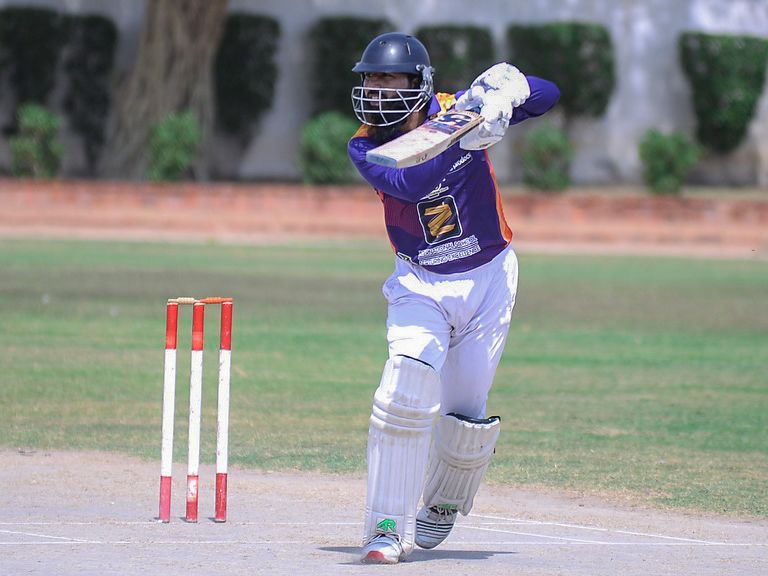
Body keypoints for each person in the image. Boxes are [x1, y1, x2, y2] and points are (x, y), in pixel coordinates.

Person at [347, 31, 560, 565]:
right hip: (420, 282)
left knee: (465, 414)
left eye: (390, 79)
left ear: (419, 85)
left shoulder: (457, 108)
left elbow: (549, 95)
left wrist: (507, 94)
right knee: (403, 389)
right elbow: (412, 183)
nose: (377, 90)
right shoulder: (366, 145)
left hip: (489, 278)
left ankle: (443, 499)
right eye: (371, 79)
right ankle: (384, 528)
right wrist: (465, 137)